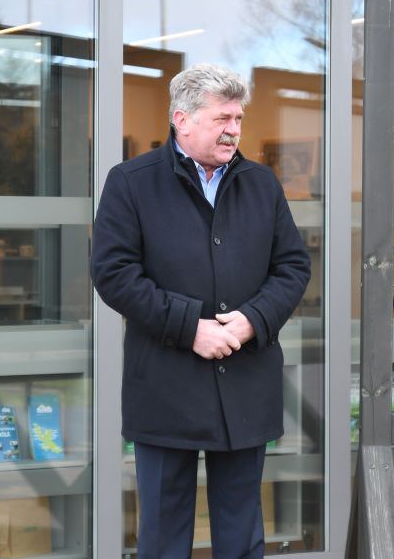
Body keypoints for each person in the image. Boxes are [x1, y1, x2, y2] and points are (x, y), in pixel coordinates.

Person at [90, 63, 311, 558]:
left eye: (238, 118)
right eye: (221, 118)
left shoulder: (262, 184)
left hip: (246, 385)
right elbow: (114, 273)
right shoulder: (131, 182)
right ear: (182, 120)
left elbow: (293, 266)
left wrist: (254, 319)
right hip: (165, 388)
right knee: (163, 539)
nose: (233, 129)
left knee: (241, 538)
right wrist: (190, 327)